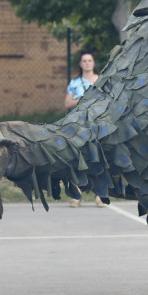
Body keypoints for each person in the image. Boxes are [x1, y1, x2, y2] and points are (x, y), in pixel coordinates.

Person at [64, 52, 105, 207]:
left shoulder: (100, 81)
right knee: (77, 159)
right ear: (80, 64)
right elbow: (68, 103)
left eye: (90, 61)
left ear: (93, 63)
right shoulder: (75, 83)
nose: (87, 63)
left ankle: (100, 195)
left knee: (98, 158)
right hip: (79, 125)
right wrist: (83, 99)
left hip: (97, 124)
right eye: (84, 61)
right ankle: (77, 195)